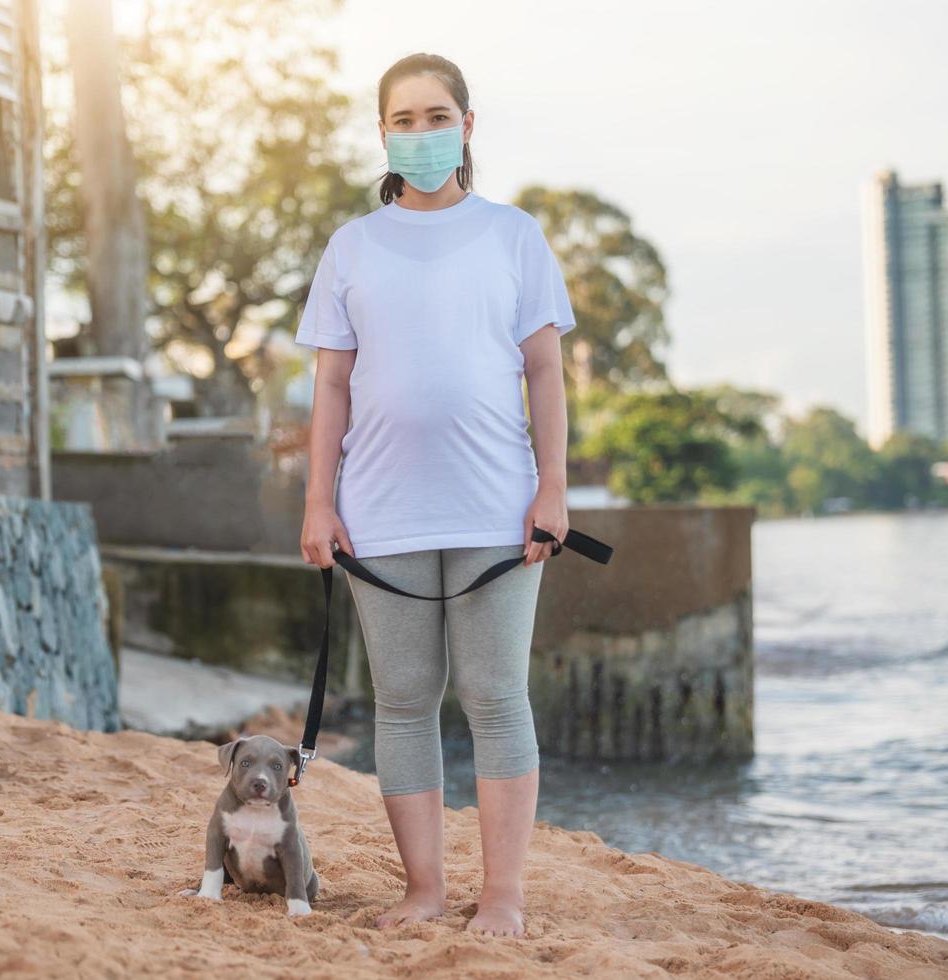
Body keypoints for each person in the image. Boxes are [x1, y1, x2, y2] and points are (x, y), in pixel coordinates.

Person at [293, 52, 576, 938]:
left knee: (495, 698)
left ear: (466, 125)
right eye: (402, 120)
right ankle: (423, 891)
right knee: (405, 700)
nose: (420, 132)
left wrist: (552, 489)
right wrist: (317, 503)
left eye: (435, 115)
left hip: (497, 507)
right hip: (380, 511)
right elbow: (331, 389)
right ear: (382, 133)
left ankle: (502, 898)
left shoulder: (512, 235)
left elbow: (544, 372)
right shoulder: (352, 245)